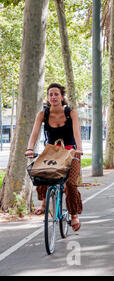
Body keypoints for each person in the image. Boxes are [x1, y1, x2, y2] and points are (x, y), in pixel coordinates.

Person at [25, 83, 83, 232]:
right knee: (41, 172)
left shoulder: (71, 113)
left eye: (56, 94)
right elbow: (35, 133)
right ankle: (44, 202)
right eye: (50, 94)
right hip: (51, 152)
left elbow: (77, 133)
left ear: (62, 97)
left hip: (70, 152)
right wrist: (30, 148)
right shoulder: (43, 114)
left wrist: (79, 149)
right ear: (48, 97)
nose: (53, 97)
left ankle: (74, 214)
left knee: (70, 184)